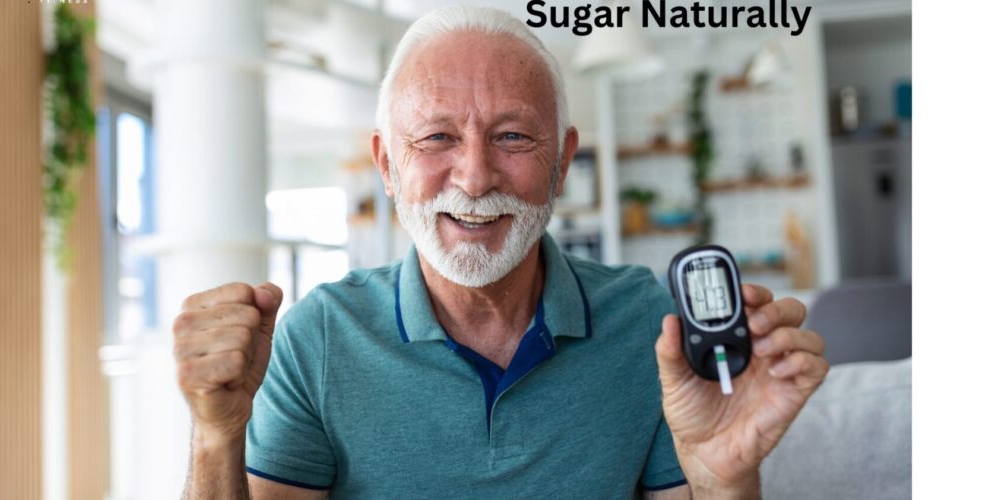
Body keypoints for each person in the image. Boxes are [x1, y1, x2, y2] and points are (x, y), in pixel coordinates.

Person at [172, 6, 828, 499]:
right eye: (435, 137)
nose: (475, 176)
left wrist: (725, 481)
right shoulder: (317, 337)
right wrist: (217, 436)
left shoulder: (648, 326)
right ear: (387, 165)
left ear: (563, 163)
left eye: (513, 135)